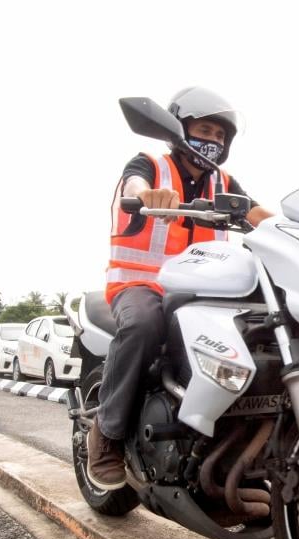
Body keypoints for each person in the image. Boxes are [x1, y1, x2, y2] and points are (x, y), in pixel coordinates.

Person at [87, 86, 273, 491]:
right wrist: (147, 196)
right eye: (205, 129)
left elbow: (260, 215)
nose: (213, 141)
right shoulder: (150, 166)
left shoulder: (223, 183)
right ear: (178, 129)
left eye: (221, 136)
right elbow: (133, 186)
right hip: (141, 284)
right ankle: (107, 434)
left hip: (204, 290)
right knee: (143, 328)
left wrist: (297, 231)